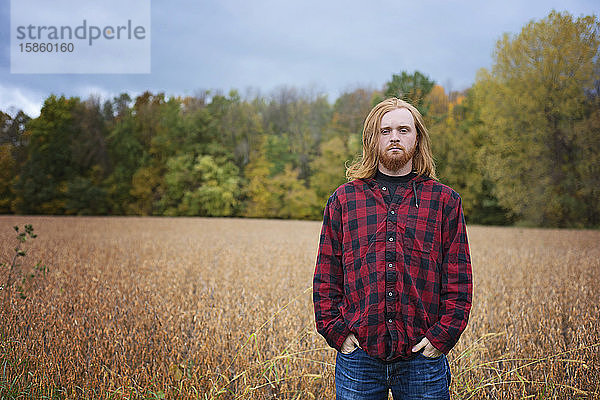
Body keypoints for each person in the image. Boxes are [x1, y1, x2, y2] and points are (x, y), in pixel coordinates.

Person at [313, 97, 473, 399]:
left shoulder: (444, 202)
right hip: (358, 358)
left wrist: (442, 337)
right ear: (372, 140)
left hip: (422, 359)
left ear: (417, 137)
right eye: (385, 131)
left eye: (403, 129)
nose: (395, 137)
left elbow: (459, 281)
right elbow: (326, 275)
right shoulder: (344, 200)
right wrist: (336, 331)